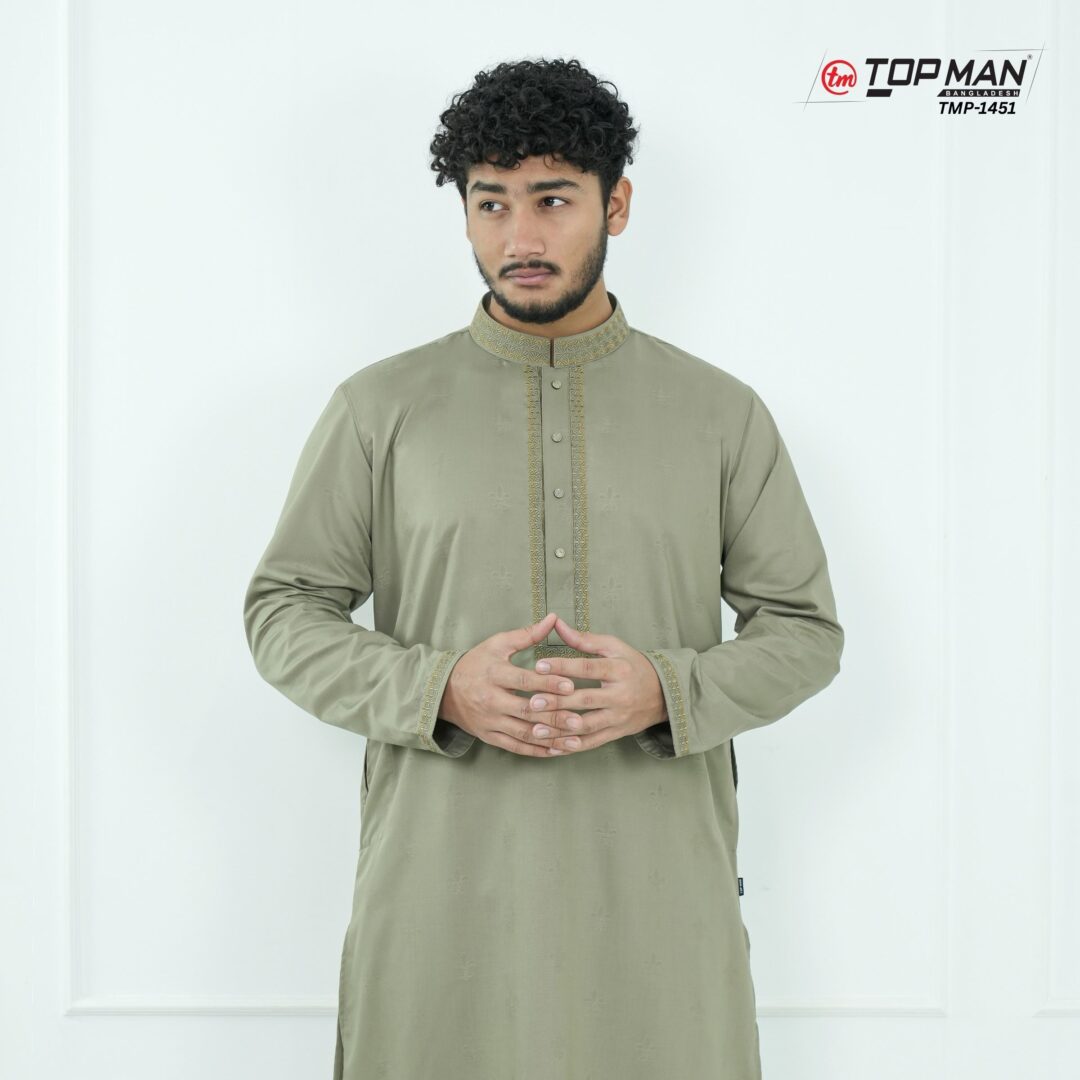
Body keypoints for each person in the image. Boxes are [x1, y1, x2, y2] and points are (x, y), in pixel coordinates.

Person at [243, 55, 844, 1080]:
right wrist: (437, 686)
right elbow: (283, 611)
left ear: (617, 205)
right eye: (491, 204)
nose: (519, 238)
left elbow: (805, 631)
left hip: (660, 900)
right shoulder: (379, 410)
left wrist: (670, 689)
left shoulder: (719, 414)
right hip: (438, 899)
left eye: (553, 200)